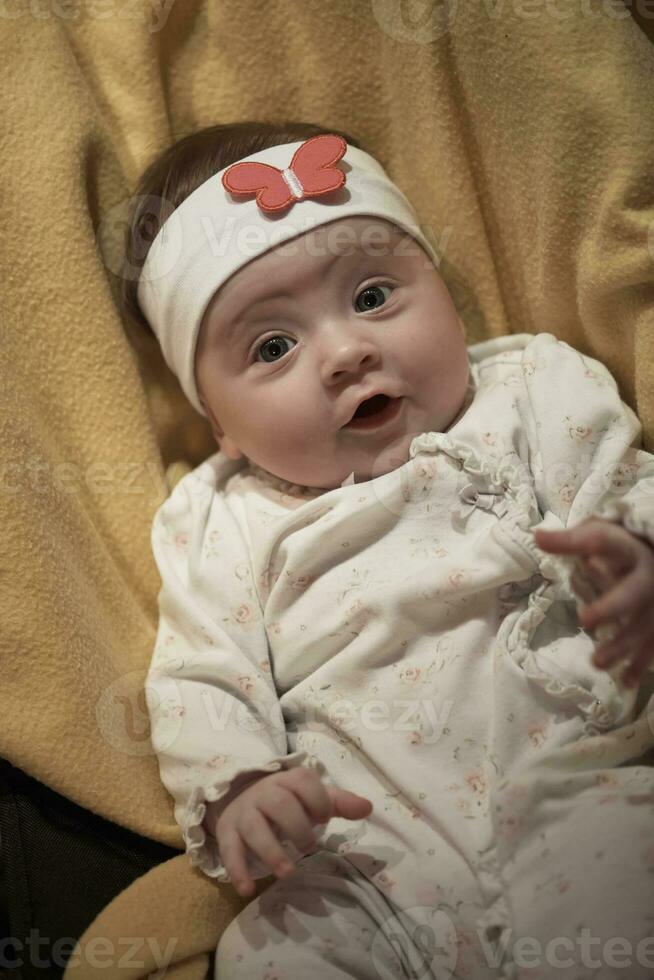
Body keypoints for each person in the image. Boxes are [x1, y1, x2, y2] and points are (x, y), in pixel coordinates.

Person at [121, 121, 654, 980]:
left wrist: (637, 560)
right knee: (264, 953)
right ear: (217, 421)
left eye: (373, 296)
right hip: (361, 864)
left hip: (579, 790)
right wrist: (238, 788)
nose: (346, 352)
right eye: (272, 347)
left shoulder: (529, 387)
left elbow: (622, 485)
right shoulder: (222, 514)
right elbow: (200, 672)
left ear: (442, 291)